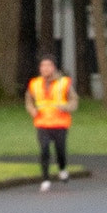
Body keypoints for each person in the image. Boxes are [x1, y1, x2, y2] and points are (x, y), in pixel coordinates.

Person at [24, 55, 79, 193]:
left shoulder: (64, 83)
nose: (45, 68)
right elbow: (29, 100)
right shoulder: (34, 83)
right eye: (42, 66)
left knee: (60, 150)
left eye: (48, 65)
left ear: (53, 67)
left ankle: (62, 169)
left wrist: (66, 107)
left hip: (60, 122)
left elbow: (74, 100)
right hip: (42, 122)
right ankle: (45, 179)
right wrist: (32, 110)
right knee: (44, 150)